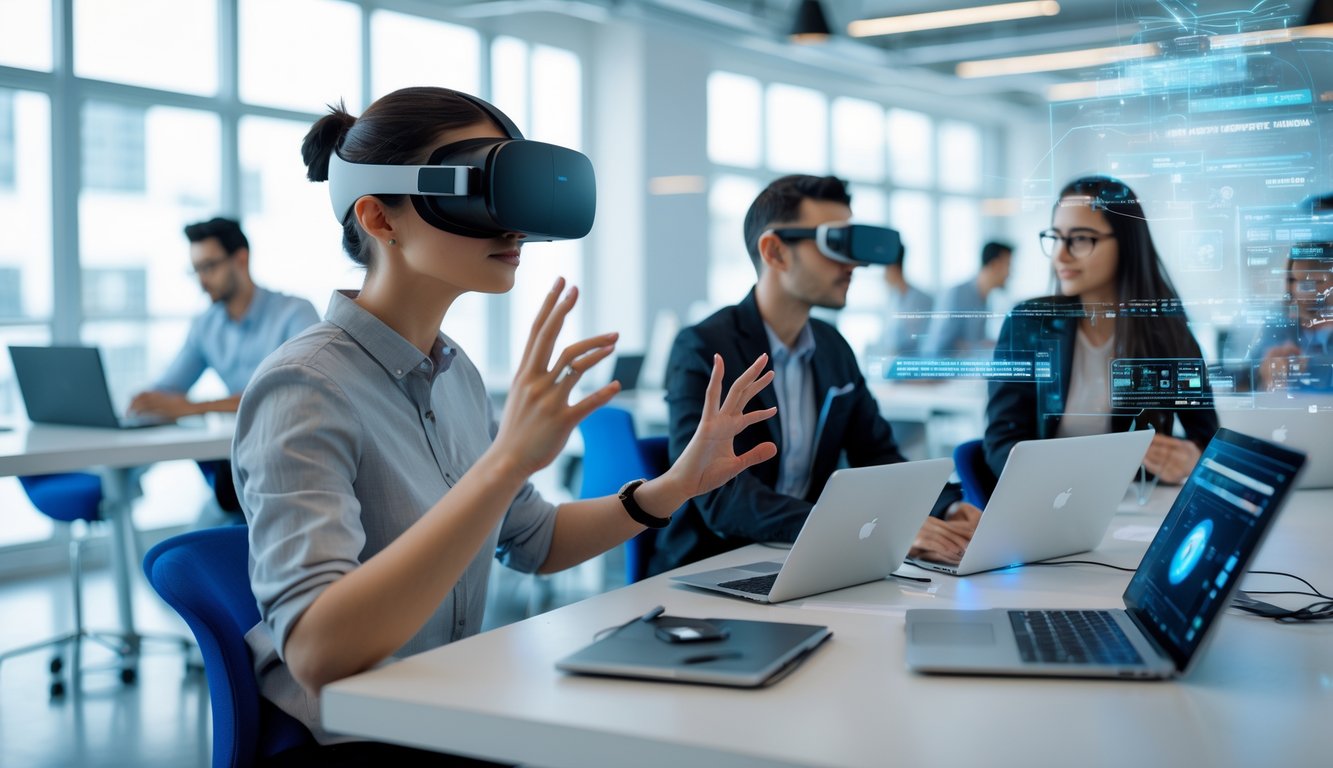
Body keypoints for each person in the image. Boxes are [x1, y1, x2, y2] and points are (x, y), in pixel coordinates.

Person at [233, 86, 779, 765]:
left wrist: (671, 487)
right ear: (379, 218)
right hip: (352, 737)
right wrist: (504, 463)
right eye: (480, 192)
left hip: (449, 705)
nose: (513, 229)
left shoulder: (453, 373)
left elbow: (534, 540)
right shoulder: (305, 386)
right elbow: (318, 654)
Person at [651, 174, 978, 577]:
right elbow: (722, 497)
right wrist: (851, 528)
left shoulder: (832, 346)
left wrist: (945, 505)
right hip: (711, 567)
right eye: (835, 245)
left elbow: (876, 456)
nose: (853, 263)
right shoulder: (703, 348)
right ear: (774, 252)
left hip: (810, 560)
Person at [985, 176, 1219, 486]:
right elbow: (1001, 442)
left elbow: (1208, 442)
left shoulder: (1165, 331)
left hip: (1139, 509)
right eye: (1056, 237)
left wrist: (1192, 458)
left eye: (1080, 239)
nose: (1060, 255)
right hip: (1047, 500)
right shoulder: (1028, 323)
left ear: (1126, 243)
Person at [129, 217, 319, 512]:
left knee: (192, 542)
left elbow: (287, 393)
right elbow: (169, 387)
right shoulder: (206, 325)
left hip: (290, 466)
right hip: (232, 465)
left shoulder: (295, 313)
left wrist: (191, 407)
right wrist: (146, 401)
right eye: (196, 270)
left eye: (209, 266)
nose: (202, 280)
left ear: (240, 259)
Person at [1244, 241, 1332, 392]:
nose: (1298, 290)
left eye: (1312, 281)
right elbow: (1247, 376)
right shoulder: (1278, 322)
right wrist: (1263, 369)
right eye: (1293, 280)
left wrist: (1308, 366)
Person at [921, 240, 1012, 358]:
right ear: (995, 265)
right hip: (940, 371)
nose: (1010, 273)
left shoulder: (985, 299)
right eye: (1008, 265)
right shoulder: (957, 294)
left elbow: (972, 342)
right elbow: (940, 346)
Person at [878, 242, 934, 356]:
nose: (883, 276)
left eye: (885, 270)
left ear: (893, 268)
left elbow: (922, 340)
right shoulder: (894, 299)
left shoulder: (923, 300)